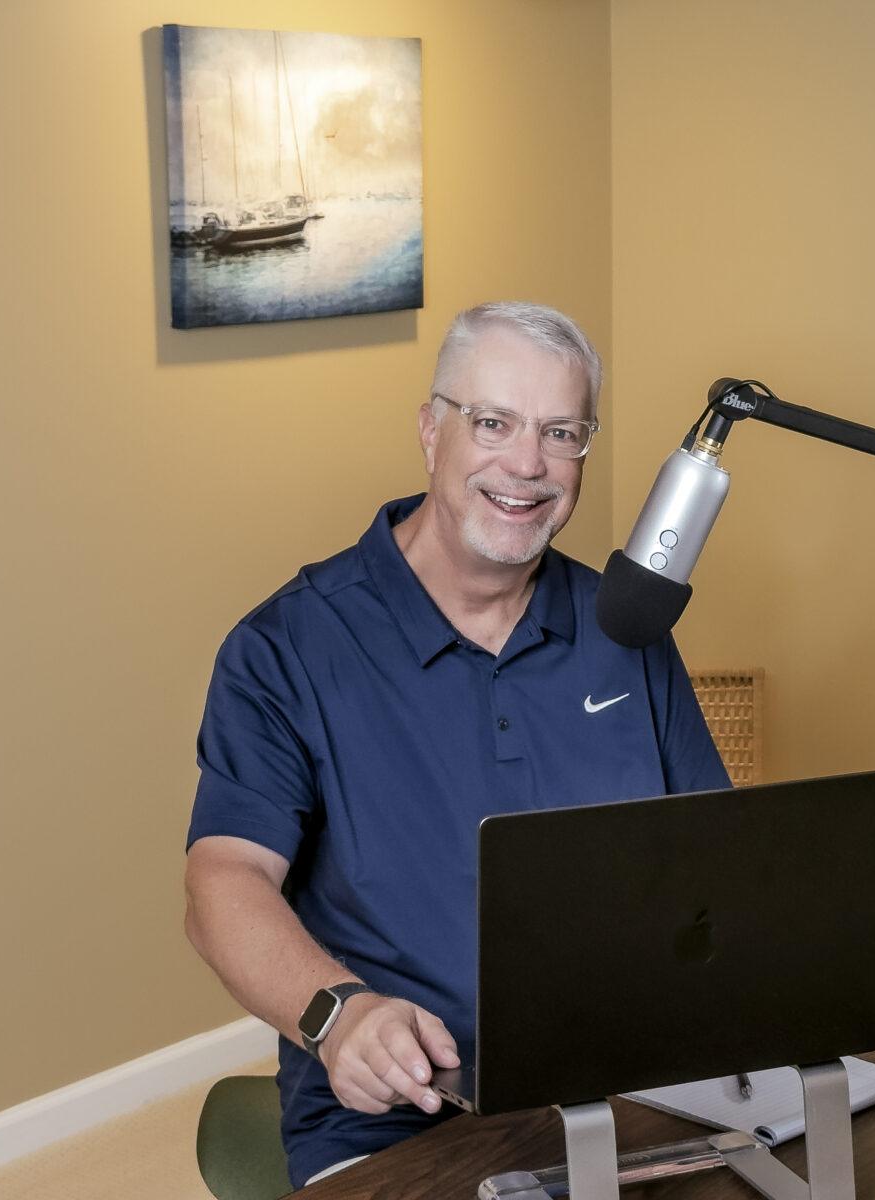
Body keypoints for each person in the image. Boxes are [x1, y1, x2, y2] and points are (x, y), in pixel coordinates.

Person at [183, 301, 730, 1188]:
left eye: (562, 432)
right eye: (493, 423)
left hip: (636, 1092)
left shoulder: (624, 629)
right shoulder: (286, 647)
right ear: (432, 432)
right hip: (404, 1121)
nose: (527, 465)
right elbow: (222, 884)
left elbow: (717, 864)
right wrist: (338, 1016)